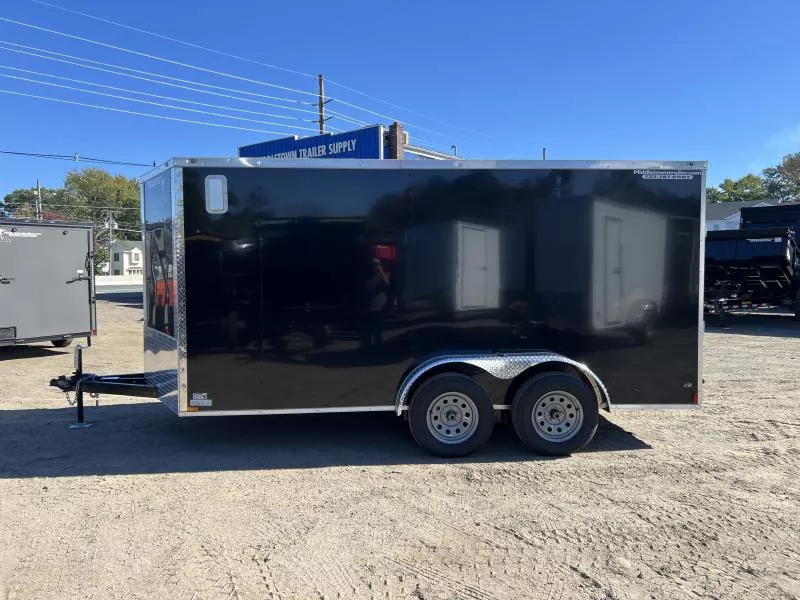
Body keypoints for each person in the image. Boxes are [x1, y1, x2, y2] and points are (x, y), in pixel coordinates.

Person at [361, 258, 389, 348]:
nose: (375, 267)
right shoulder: (368, 278)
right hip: (370, 308)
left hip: (380, 308)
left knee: (378, 331)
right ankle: (367, 347)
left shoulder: (383, 276)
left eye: (377, 264)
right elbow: (368, 288)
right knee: (368, 330)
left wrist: (380, 271)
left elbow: (386, 283)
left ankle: (377, 347)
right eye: (374, 265)